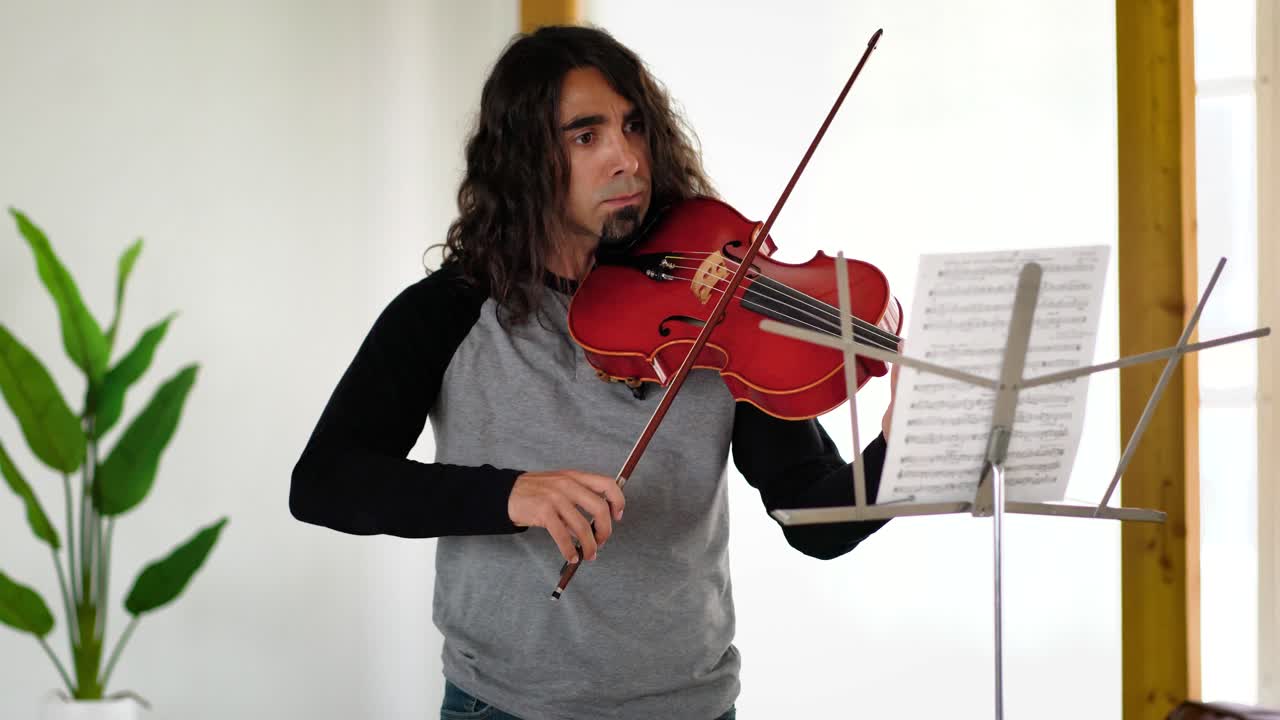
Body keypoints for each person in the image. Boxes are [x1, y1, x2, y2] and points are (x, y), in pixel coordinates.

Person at [290, 24, 901, 720]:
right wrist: (511, 495)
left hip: (693, 708)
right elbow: (325, 482)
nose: (627, 160)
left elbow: (812, 516)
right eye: (586, 136)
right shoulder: (449, 313)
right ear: (523, 158)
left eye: (634, 127)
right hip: (507, 708)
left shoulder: (715, 308)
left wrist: (900, 448)